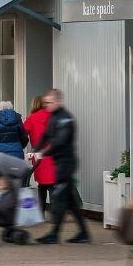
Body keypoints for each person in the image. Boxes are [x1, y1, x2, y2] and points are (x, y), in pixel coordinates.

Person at [30, 88, 90, 244]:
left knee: (60, 197)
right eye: (45, 103)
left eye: (49, 103)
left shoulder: (65, 119)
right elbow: (46, 136)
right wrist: (35, 150)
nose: (46, 105)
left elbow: (59, 141)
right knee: (69, 200)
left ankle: (54, 234)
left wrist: (43, 153)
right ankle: (84, 233)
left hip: (66, 163)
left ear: (57, 101)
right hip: (60, 162)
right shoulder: (53, 117)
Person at [24, 95, 56, 214]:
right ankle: (55, 214)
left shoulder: (31, 118)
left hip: (39, 157)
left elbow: (23, 134)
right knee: (53, 185)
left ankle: (41, 212)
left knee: (42, 185)